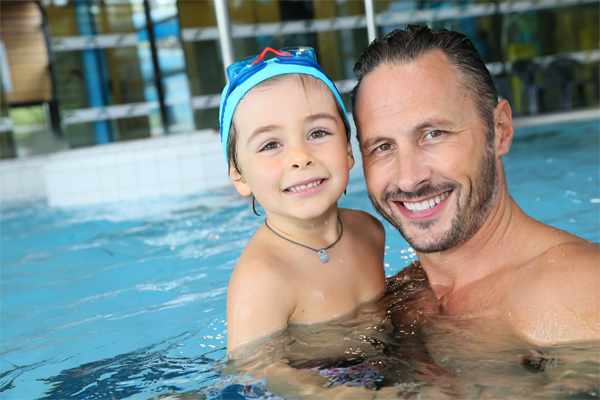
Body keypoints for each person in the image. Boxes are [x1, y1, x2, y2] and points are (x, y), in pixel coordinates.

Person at [351, 24, 599, 345]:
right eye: (383, 146)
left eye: (433, 134)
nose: (409, 178)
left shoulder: (569, 290)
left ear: (500, 131)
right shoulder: (399, 295)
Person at [220, 47, 387, 354]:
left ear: (349, 151)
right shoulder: (261, 280)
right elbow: (255, 373)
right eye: (270, 144)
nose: (300, 157)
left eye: (318, 133)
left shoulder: (370, 231)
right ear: (240, 176)